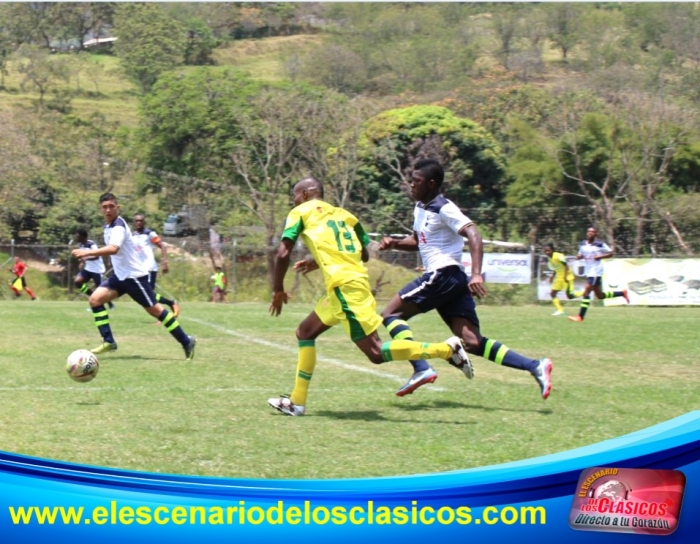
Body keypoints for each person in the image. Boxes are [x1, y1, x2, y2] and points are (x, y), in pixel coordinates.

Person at [267, 176, 471, 416]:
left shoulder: (300, 212)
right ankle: (296, 402)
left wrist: (278, 289)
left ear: (305, 193)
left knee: (375, 353)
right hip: (347, 285)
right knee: (305, 332)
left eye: (295, 196)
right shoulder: (346, 215)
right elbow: (363, 255)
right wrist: (318, 260)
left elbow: (282, 254)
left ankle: (446, 350)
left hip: (345, 289)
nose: (294, 201)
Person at [378, 159, 552, 399]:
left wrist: (477, 273)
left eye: (416, 181)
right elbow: (419, 241)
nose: (411, 185)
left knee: (390, 315)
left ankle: (421, 367)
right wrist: (395, 243)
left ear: (431, 184)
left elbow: (473, 232)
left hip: (443, 274)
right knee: (471, 342)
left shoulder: (443, 207)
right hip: (450, 279)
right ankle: (535, 366)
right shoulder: (420, 207)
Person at [71, 193, 196, 359]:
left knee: (156, 311)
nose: (108, 210)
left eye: (111, 206)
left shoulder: (119, 226)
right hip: (120, 277)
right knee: (95, 300)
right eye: (104, 207)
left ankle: (186, 341)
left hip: (134, 277)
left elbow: (114, 248)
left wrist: (87, 252)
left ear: (118, 208)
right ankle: (109, 341)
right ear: (101, 209)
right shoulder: (107, 226)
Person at [568, 227, 629, 323]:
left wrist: (600, 256)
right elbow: (581, 254)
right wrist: (579, 257)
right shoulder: (583, 244)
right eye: (589, 231)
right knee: (600, 295)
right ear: (586, 233)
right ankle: (622, 293)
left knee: (586, 292)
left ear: (596, 234)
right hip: (589, 272)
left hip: (596, 272)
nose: (590, 233)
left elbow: (611, 253)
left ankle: (580, 316)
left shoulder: (600, 244)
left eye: (593, 232)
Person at [131, 213, 180, 318]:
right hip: (139, 269)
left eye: (140, 221)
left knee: (148, 294)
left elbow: (162, 246)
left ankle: (164, 313)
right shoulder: (133, 235)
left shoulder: (149, 233)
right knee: (145, 294)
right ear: (134, 223)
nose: (138, 222)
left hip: (149, 268)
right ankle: (170, 303)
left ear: (144, 222)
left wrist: (165, 261)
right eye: (136, 221)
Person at [74, 228, 114, 310]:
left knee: (100, 290)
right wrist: (82, 262)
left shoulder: (91, 244)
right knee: (77, 281)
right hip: (88, 269)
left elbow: (97, 256)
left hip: (97, 270)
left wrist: (86, 259)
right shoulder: (81, 245)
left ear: (83, 236)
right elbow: (84, 256)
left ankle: (109, 303)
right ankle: (92, 295)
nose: (76, 237)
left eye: (78, 236)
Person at [544, 243, 579, 316]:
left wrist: (565, 276)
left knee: (570, 296)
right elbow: (555, 268)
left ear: (552, 250)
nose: (547, 252)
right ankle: (560, 310)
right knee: (552, 293)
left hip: (567, 277)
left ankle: (585, 292)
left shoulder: (558, 255)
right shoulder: (550, 258)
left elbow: (566, 265)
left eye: (548, 250)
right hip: (559, 278)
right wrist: (552, 277)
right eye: (545, 251)